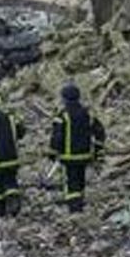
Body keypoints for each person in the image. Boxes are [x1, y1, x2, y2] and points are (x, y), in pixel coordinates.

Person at [48, 83, 106, 213]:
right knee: (80, 180)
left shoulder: (63, 116)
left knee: (71, 183)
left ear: (64, 99)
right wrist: (98, 151)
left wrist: (52, 153)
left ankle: (75, 209)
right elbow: (100, 131)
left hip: (68, 157)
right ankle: (80, 203)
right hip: (84, 156)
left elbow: (57, 137)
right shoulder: (87, 114)